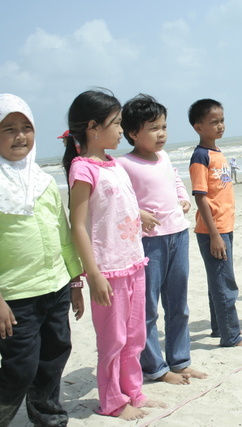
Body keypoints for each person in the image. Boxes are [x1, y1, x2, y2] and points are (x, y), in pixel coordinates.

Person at [62, 89, 164, 420]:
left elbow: (119, 203)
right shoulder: (82, 169)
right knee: (113, 340)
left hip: (134, 261)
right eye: (116, 123)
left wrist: (141, 215)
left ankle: (133, 391)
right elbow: (78, 225)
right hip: (107, 270)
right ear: (93, 127)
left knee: (135, 335)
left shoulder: (114, 164)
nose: (121, 130)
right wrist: (92, 274)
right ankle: (111, 401)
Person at [0, 94, 84, 427]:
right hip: (15, 296)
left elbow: (63, 234)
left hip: (56, 287)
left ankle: (49, 418)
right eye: (9, 129)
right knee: (20, 367)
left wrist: (75, 281)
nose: (20, 136)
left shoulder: (43, 181)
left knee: (54, 357)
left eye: (26, 128)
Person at [118, 94, 207, 385]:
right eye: (154, 128)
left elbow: (175, 179)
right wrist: (138, 212)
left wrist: (183, 198)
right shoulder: (123, 164)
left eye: (164, 127)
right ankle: (155, 367)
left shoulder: (164, 156)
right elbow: (117, 199)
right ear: (133, 133)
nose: (161, 134)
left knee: (178, 304)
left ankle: (180, 361)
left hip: (178, 235)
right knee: (147, 309)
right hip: (149, 242)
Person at [188, 98, 242, 348]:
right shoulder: (200, 156)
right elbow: (200, 197)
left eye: (222, 121)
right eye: (214, 122)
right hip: (213, 230)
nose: (220, 126)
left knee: (217, 281)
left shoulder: (217, 152)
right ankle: (231, 336)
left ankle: (220, 327)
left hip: (225, 227)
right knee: (224, 283)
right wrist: (214, 234)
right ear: (198, 127)